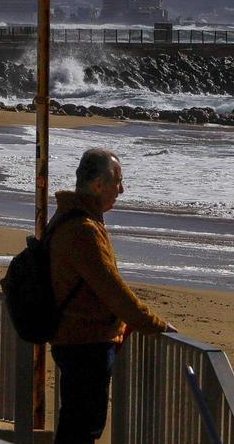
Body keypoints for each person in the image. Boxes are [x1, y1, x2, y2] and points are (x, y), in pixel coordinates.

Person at [48, 148, 175, 444]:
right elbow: (111, 288)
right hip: (85, 343)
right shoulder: (83, 229)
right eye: (117, 180)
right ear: (98, 185)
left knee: (76, 425)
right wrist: (153, 322)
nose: (122, 188)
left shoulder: (71, 217)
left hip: (76, 339)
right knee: (82, 428)